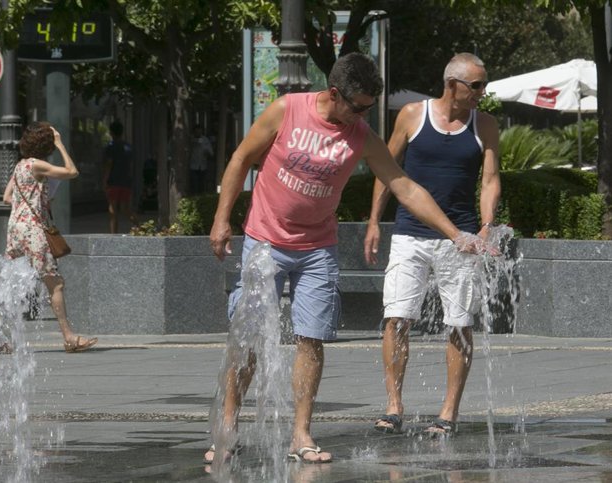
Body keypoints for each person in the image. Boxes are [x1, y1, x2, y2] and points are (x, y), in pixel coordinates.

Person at [206, 52, 486, 465]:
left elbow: (405, 187)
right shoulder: (287, 110)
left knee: (311, 338)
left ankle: (301, 434)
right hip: (264, 240)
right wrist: (221, 220)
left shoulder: (362, 135)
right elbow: (241, 159)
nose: (361, 116)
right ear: (333, 94)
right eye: (357, 107)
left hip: (318, 247)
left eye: (368, 108)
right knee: (248, 336)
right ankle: (227, 429)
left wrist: (455, 233)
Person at [363, 52, 501, 436]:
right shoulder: (411, 115)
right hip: (409, 234)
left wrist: (487, 225)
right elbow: (386, 170)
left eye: (483, 85)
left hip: (462, 239)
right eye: (476, 86)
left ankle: (448, 412)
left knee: (459, 324)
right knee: (397, 318)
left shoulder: (484, 124)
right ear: (452, 84)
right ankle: (393, 406)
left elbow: (490, 179)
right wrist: (374, 221)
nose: (481, 93)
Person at [3, 122, 98, 353]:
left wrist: (36, 199)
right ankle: (69, 338)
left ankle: (10, 340)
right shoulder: (38, 165)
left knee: (17, 285)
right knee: (55, 284)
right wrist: (61, 143)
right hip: (34, 231)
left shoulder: (20, 166)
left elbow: (7, 198)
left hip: (15, 230)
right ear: (46, 144)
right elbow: (72, 172)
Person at [103, 120, 138, 233]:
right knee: (125, 208)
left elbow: (109, 164)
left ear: (111, 132)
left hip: (113, 180)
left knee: (112, 208)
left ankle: (114, 233)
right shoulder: (128, 147)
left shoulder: (110, 147)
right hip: (125, 180)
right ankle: (138, 224)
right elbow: (131, 165)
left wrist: (105, 180)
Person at [189, 124, 213, 194]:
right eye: (196, 132)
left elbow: (211, 152)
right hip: (193, 166)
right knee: (194, 185)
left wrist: (207, 153)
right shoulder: (191, 139)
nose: (198, 133)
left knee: (202, 185)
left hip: (203, 166)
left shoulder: (205, 140)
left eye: (199, 132)